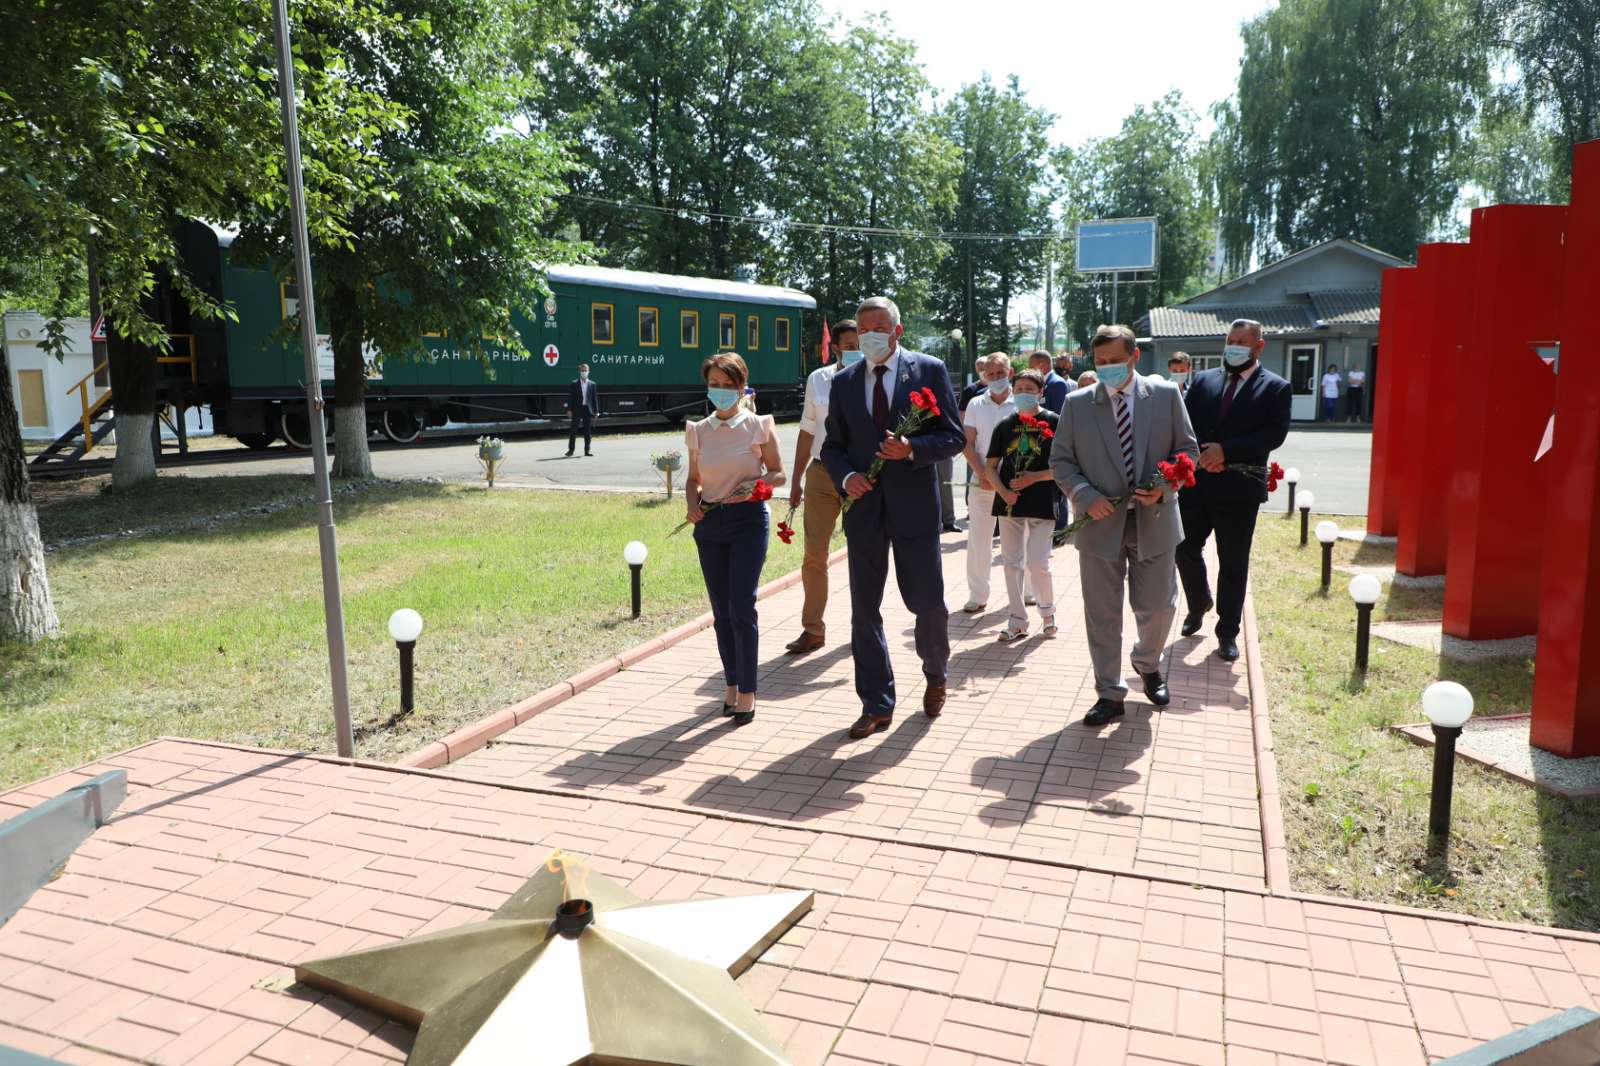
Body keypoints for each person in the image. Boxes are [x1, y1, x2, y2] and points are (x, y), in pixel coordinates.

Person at [821, 295, 965, 740]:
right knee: (864, 610)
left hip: (915, 510)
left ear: (897, 331)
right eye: (863, 329)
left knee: (927, 604)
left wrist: (911, 450)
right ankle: (876, 703)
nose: (869, 335)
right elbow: (832, 446)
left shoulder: (929, 370)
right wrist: (846, 478)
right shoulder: (844, 382)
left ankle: (936, 673)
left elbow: (952, 437)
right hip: (864, 511)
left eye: (878, 327)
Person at [1050, 324, 1199, 726]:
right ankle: (1109, 692)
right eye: (1100, 362)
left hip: (1155, 519)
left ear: (1134, 357)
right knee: (1102, 614)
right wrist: (1085, 496)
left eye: (1116, 361)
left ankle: (1147, 663)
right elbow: (1061, 461)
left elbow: (1188, 450)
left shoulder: (1165, 396)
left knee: (1158, 606)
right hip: (1099, 524)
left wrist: (1165, 487)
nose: (1108, 368)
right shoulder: (1078, 403)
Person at [1176, 318, 1293, 662]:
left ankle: (1227, 632)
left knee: (1233, 562)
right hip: (1197, 483)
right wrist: (1200, 455)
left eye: (1243, 341)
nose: (1234, 345)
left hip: (1239, 489)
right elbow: (1184, 424)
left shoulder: (1275, 387)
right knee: (1183, 548)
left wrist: (1226, 452)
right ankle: (1198, 603)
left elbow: (1273, 434)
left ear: (1259, 345)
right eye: (1231, 339)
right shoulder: (1202, 380)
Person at [684, 353, 785, 726]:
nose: (721, 392)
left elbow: (778, 474)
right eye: (714, 385)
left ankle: (747, 690)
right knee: (722, 612)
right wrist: (693, 505)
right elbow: (694, 479)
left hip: (748, 521)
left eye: (729, 386)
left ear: (742, 388)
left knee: (742, 607)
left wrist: (754, 486)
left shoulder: (759, 425)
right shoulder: (697, 430)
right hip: (710, 524)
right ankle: (730, 682)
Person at [785, 319, 860, 655]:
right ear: (836, 347)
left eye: (859, 344)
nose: (854, 350)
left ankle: (864, 627)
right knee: (814, 555)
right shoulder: (819, 379)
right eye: (847, 345)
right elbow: (806, 432)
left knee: (865, 554)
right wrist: (796, 479)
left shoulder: (876, 380)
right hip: (820, 475)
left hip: (862, 475)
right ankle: (813, 630)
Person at [987, 369, 1059, 641]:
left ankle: (1048, 613)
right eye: (1019, 389)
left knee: (1039, 563)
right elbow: (991, 467)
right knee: (1011, 563)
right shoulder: (1005, 425)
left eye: (1030, 389)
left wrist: (1034, 478)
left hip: (1042, 501)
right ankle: (1017, 620)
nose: (1024, 394)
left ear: (1041, 392)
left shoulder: (1054, 422)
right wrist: (1004, 492)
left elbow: (1064, 467)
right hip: (1009, 504)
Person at [960, 354, 1017, 612]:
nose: (994, 378)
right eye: (989, 374)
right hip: (981, 481)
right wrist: (983, 474)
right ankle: (978, 593)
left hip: (1015, 484)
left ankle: (1024, 592)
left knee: (1016, 539)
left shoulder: (1024, 400)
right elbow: (967, 442)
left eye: (999, 373)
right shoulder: (975, 403)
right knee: (979, 540)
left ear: (1010, 372)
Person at [566, 364, 598, 456]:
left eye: (585, 370)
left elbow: (594, 398)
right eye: (582, 370)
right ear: (579, 372)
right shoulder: (574, 383)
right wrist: (569, 409)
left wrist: (596, 411)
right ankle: (571, 450)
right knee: (573, 430)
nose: (584, 372)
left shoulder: (592, 384)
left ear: (589, 371)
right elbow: (570, 397)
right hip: (577, 409)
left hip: (587, 410)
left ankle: (587, 451)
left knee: (587, 431)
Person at [1030, 349, 1069, 415]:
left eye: (1031, 366)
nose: (1029, 369)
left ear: (1041, 365)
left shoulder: (1058, 384)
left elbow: (1058, 415)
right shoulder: (1042, 381)